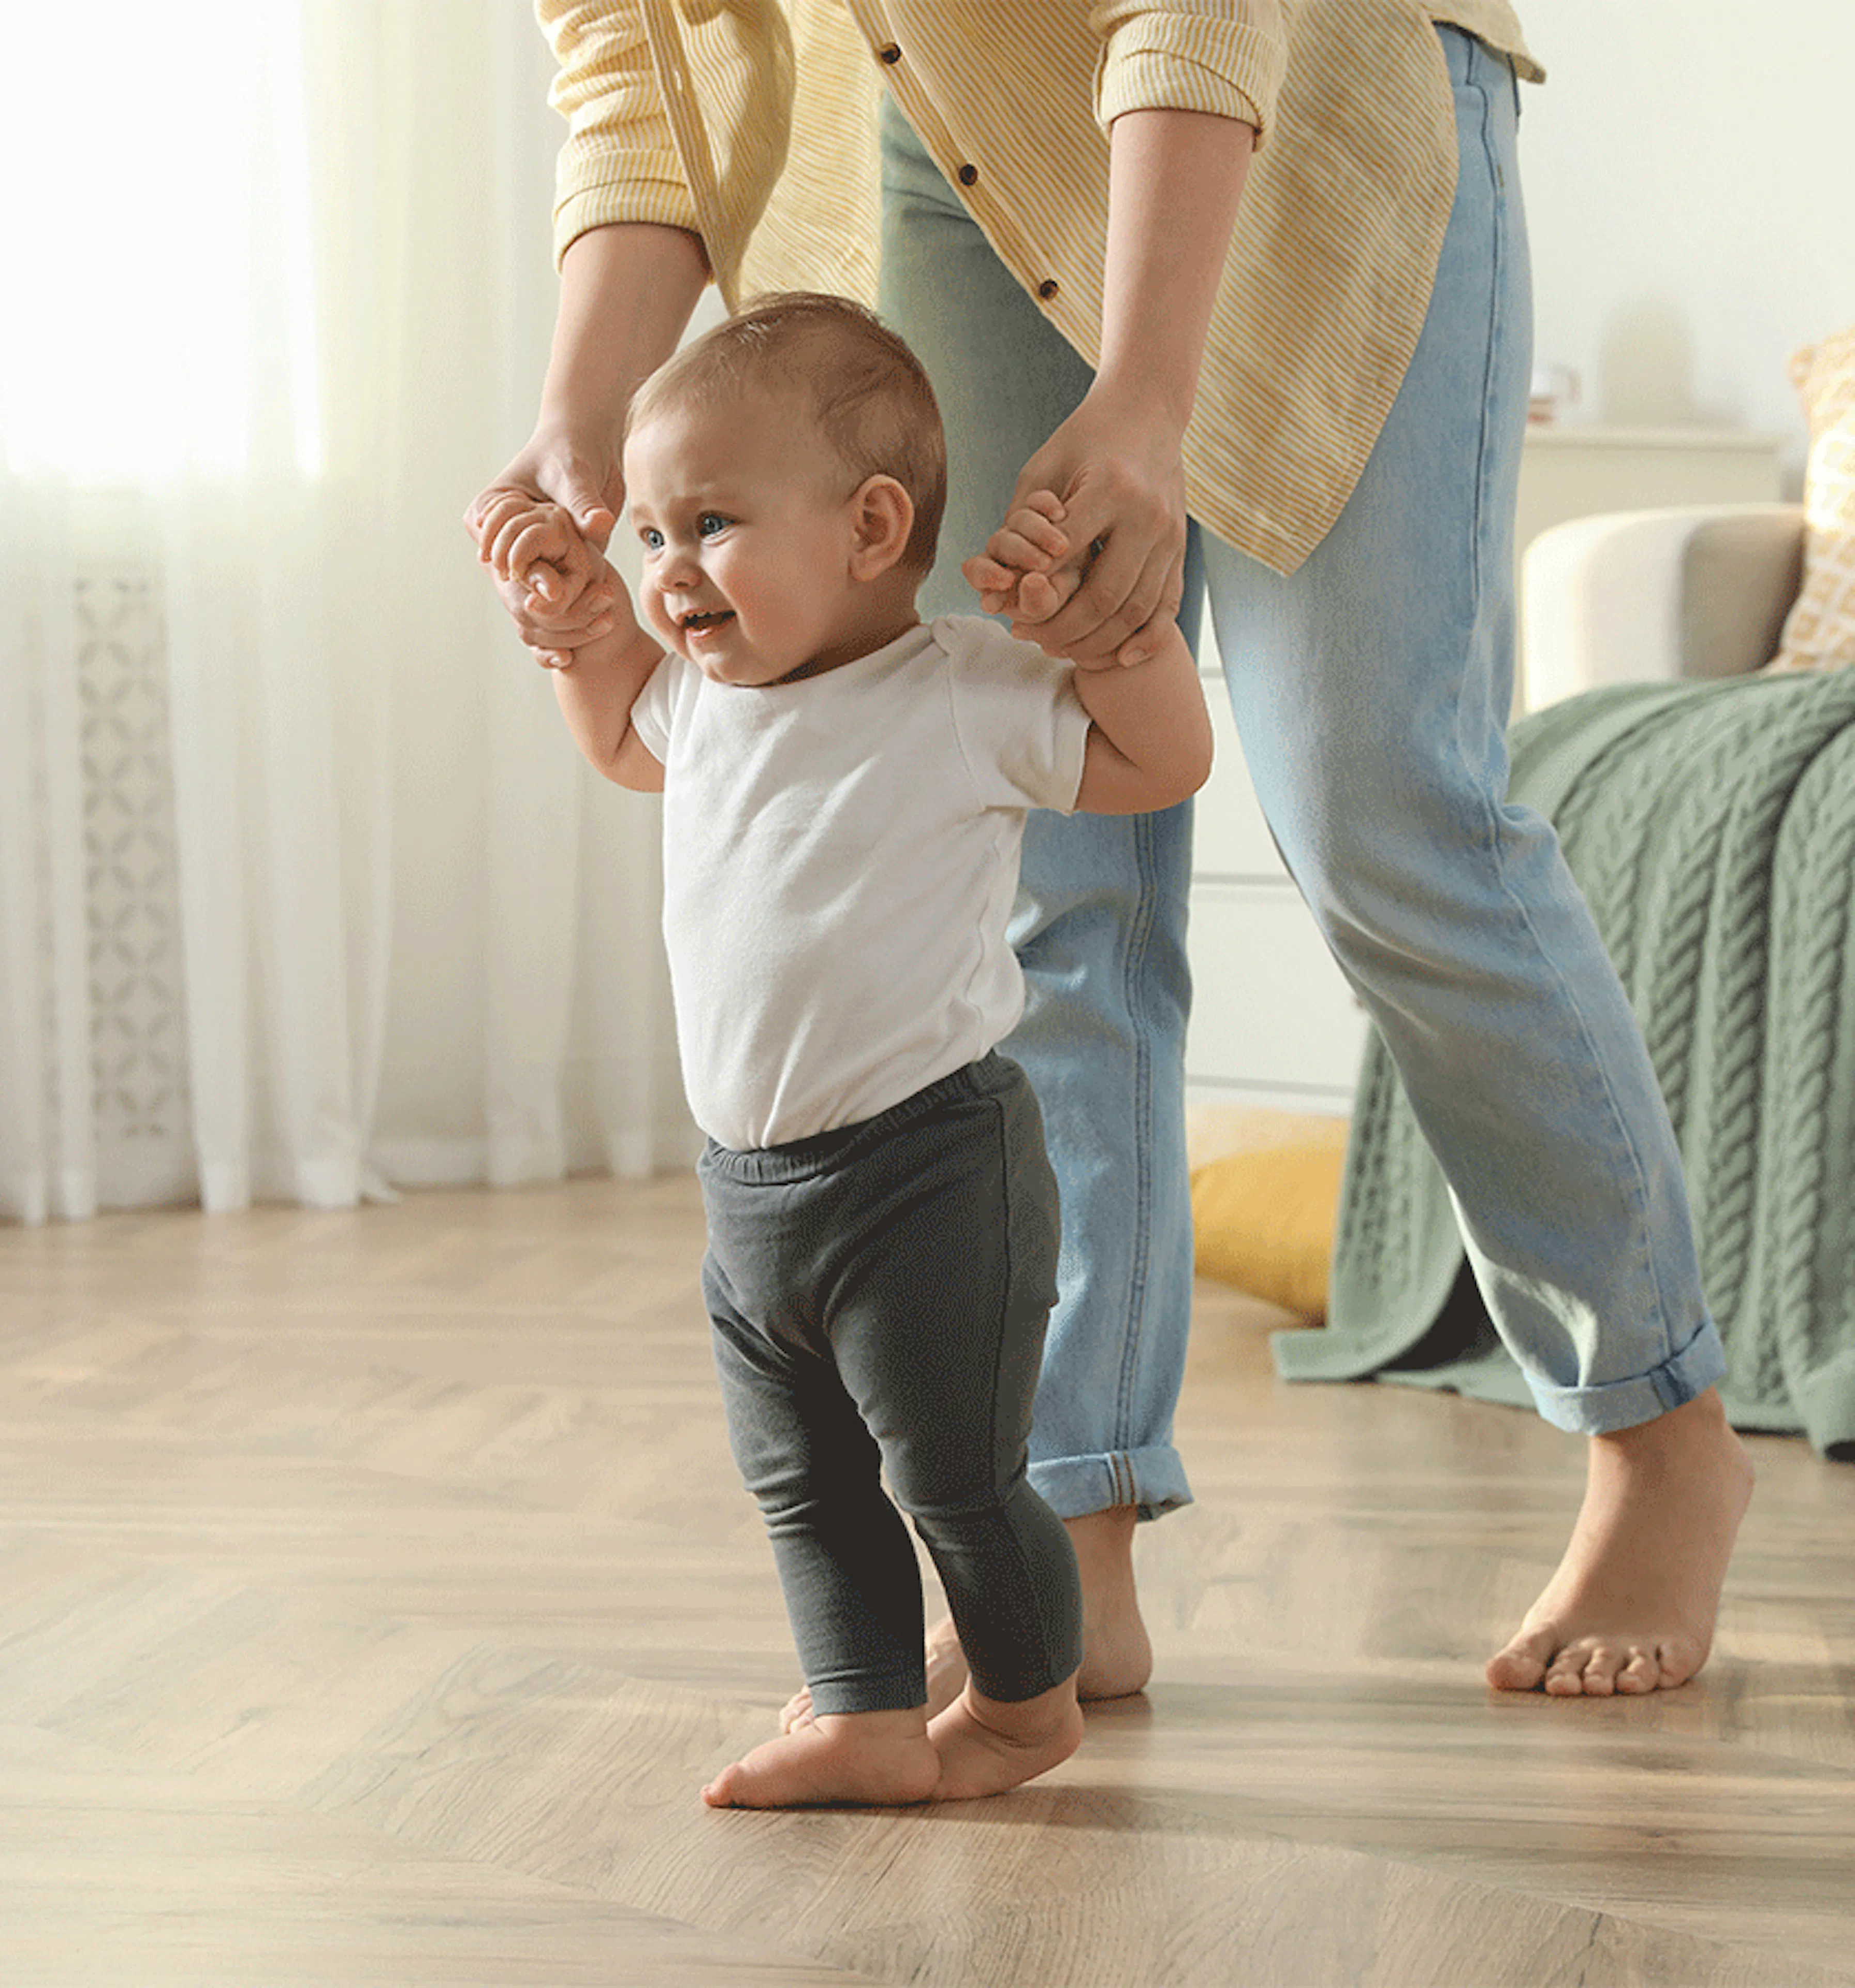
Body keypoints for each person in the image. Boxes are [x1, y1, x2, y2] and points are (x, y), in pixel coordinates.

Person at [471, 2, 1755, 1703]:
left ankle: (1659, 1423)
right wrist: (580, 417)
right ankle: (1068, 1512)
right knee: (1032, 872)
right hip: (941, 139)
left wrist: (1150, 394)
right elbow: (634, 63)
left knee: (1389, 820)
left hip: (1305, 82)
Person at [489, 291, 1211, 1807]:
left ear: (874, 528)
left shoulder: (962, 689)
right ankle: (862, 1713)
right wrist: (579, 632)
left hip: (929, 1170)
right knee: (802, 1480)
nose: (670, 572)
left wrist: (1122, 631)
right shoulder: (701, 701)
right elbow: (622, 737)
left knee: (950, 1475)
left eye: (711, 525)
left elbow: (1158, 758)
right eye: (652, 541)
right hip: (749, 1194)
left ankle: (1026, 1701)